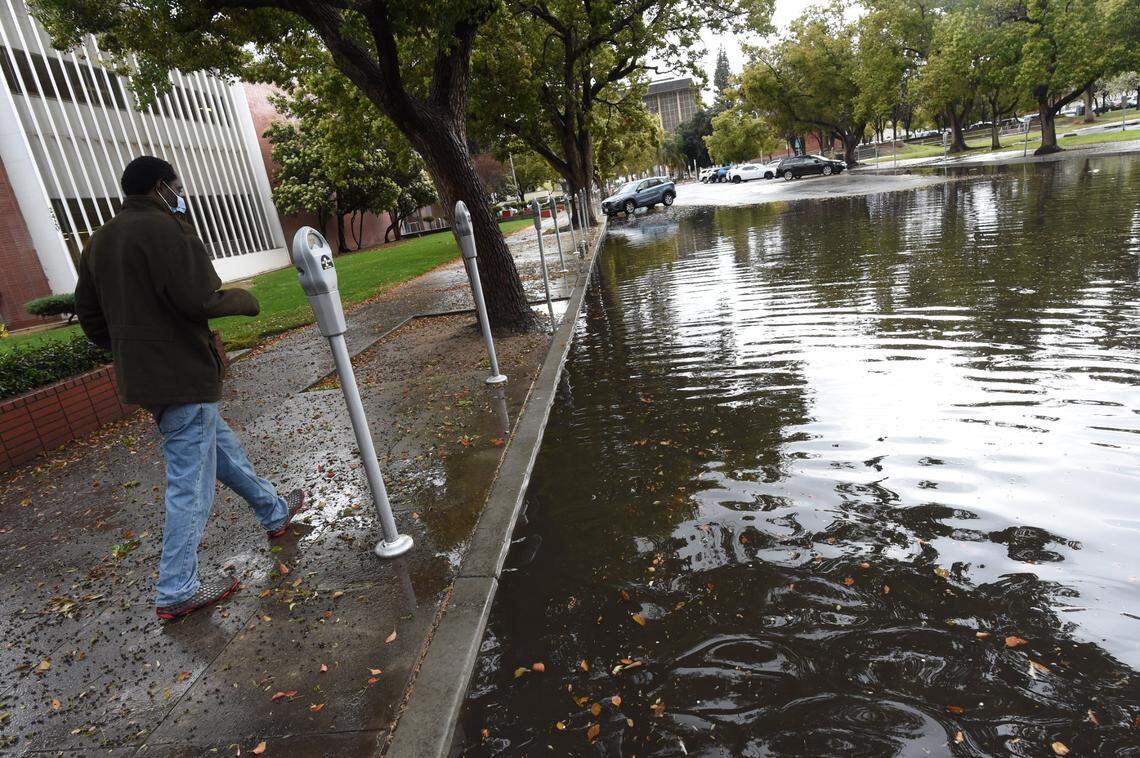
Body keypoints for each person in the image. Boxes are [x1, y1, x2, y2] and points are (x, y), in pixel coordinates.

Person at [75, 156, 306, 621]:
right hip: (180, 372)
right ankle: (176, 588)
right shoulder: (169, 230)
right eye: (176, 184)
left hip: (146, 377)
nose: (181, 191)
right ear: (161, 186)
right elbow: (199, 297)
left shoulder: (99, 240)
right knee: (190, 482)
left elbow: (91, 317)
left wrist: (131, 347)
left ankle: (273, 510)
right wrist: (245, 300)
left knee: (219, 448)